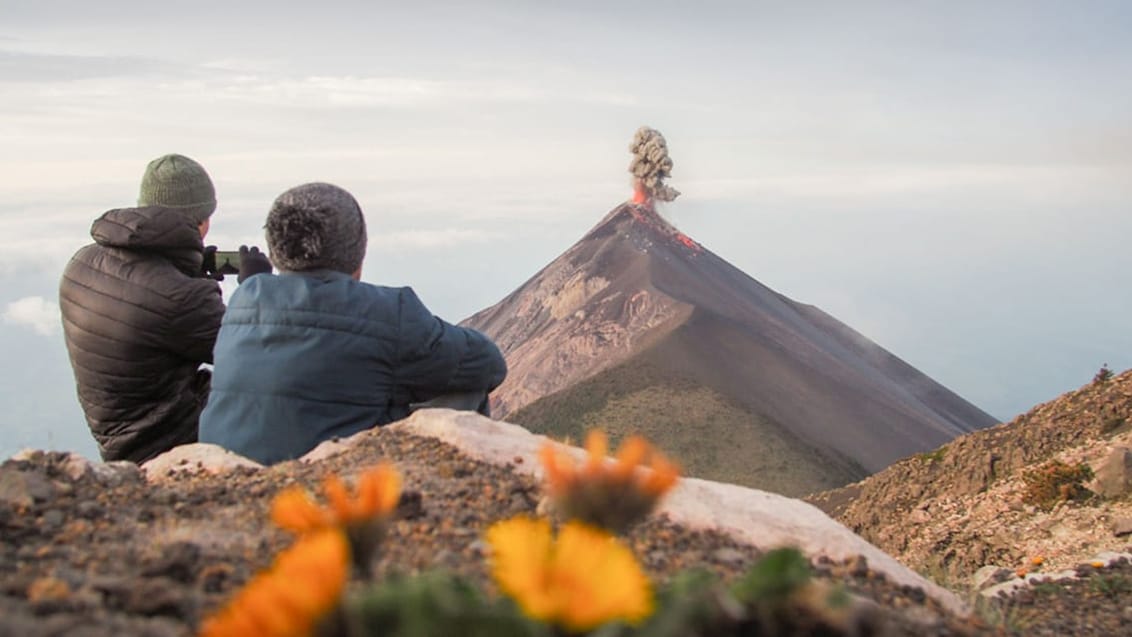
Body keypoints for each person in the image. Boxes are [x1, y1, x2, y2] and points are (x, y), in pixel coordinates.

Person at [199, 182, 507, 465]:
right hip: (329, 485)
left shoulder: (244, 298)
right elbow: (489, 364)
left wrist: (257, 282)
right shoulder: (390, 311)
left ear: (277, 250)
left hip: (231, 475)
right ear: (357, 252)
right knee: (465, 387)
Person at [59, 153, 272, 463]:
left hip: (115, 435)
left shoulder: (82, 262)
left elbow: (145, 306)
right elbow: (254, 353)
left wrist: (186, 269)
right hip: (167, 439)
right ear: (201, 221)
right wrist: (257, 289)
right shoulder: (182, 297)